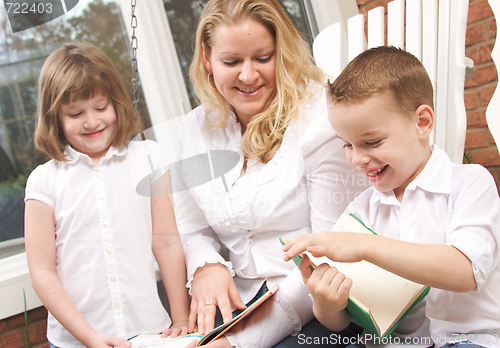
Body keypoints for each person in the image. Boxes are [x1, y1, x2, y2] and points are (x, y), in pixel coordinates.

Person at [173, 1, 369, 347]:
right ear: (207, 59)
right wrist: (206, 265)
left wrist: (240, 342)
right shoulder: (194, 129)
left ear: (283, 52)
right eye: (231, 62)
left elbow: (329, 251)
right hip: (238, 300)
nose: (248, 76)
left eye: (263, 57)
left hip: (317, 303)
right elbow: (191, 228)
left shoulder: (322, 119)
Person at [282, 46, 500, 348]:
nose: (357, 159)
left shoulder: (469, 183)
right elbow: (348, 320)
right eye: (346, 145)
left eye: (372, 142)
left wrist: (365, 246)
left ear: (422, 122)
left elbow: (466, 271)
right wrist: (326, 304)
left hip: (470, 340)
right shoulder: (362, 210)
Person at [24, 42, 190, 348]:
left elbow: (166, 242)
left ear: (116, 103)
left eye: (101, 107)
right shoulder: (44, 181)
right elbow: (42, 271)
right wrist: (88, 337)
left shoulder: (148, 157)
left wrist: (180, 318)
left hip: (149, 332)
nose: (92, 121)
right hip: (75, 342)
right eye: (75, 113)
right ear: (56, 120)